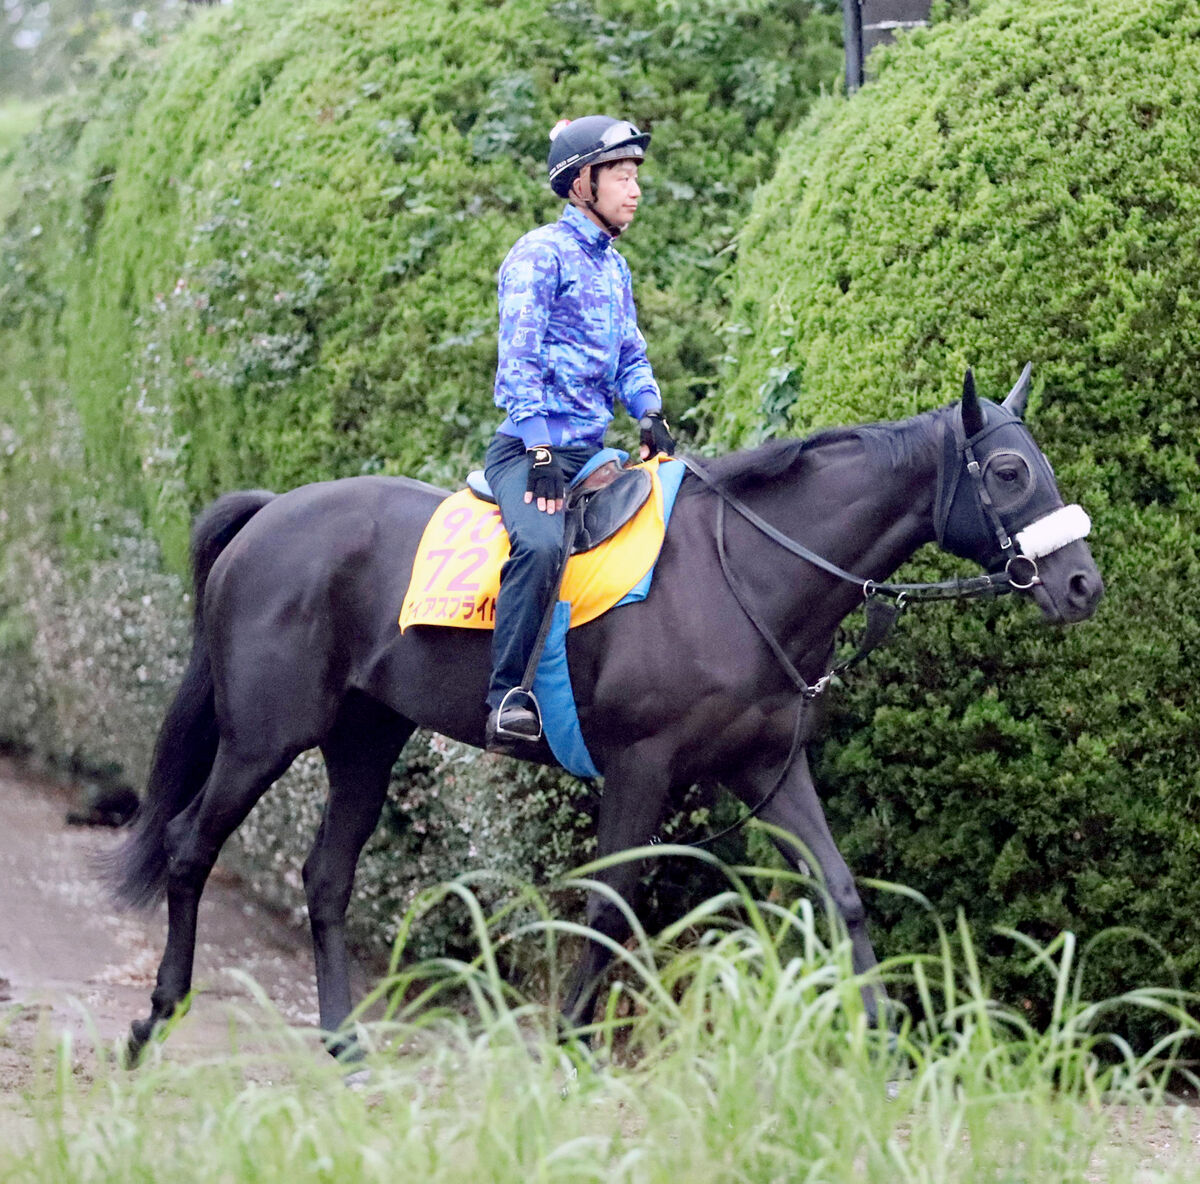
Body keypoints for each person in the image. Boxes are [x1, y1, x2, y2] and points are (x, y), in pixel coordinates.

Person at [483, 114, 676, 753]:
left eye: (634, 175)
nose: (634, 188)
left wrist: (649, 410)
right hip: (529, 452)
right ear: (580, 187)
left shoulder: (613, 269)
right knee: (539, 546)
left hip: (592, 452)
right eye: (619, 175)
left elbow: (629, 355)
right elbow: (519, 359)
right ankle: (507, 695)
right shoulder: (539, 254)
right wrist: (538, 447)